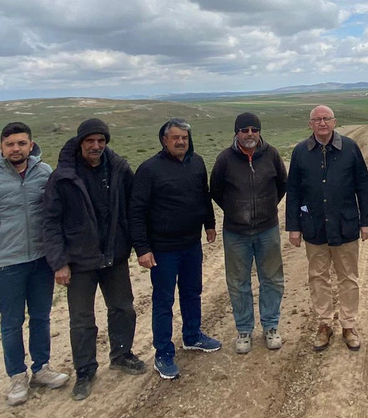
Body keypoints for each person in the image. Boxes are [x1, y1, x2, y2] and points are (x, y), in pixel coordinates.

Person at [0, 122, 69, 406]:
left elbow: (55, 216)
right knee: (11, 322)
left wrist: (59, 257)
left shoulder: (44, 174)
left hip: (41, 260)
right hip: (7, 264)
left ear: (31, 145)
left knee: (41, 317)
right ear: (1, 147)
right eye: (10, 144)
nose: (16, 149)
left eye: (22, 143)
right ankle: (17, 377)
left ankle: (41, 369)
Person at [42, 118, 147, 402]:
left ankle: (122, 354)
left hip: (114, 255)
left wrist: (138, 247)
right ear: (80, 143)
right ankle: (85, 371)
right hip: (79, 261)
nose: (96, 146)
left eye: (101, 141)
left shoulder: (119, 169)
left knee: (123, 308)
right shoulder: (62, 177)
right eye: (90, 141)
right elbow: (50, 223)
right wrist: (59, 262)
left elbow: (133, 210)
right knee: (82, 320)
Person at [130, 118, 219, 380]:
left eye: (185, 138)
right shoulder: (149, 170)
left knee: (192, 292)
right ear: (164, 140)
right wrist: (142, 249)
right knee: (163, 301)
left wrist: (210, 224)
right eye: (175, 137)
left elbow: (204, 195)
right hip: (163, 249)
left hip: (191, 244)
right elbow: (136, 211)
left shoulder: (197, 162)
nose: (181, 141)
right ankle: (163, 353)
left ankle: (192, 336)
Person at [286, 105, 368, 351]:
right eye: (317, 119)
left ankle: (348, 325)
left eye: (326, 119)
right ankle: (324, 324)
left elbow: (363, 186)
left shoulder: (350, 148)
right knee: (318, 277)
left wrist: (367, 221)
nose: (322, 123)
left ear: (334, 122)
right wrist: (293, 226)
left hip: (345, 225)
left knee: (348, 277)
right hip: (314, 226)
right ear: (310, 124)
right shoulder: (301, 152)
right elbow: (293, 190)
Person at [210, 112, 288, 354]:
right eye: (245, 130)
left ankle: (271, 326)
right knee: (237, 283)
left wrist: (266, 208)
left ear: (259, 132)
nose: (250, 134)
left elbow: (282, 185)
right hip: (236, 233)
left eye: (254, 129)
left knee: (272, 279)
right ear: (237, 133)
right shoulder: (225, 159)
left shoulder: (272, 154)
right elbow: (216, 190)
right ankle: (244, 330)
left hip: (267, 228)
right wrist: (236, 211)